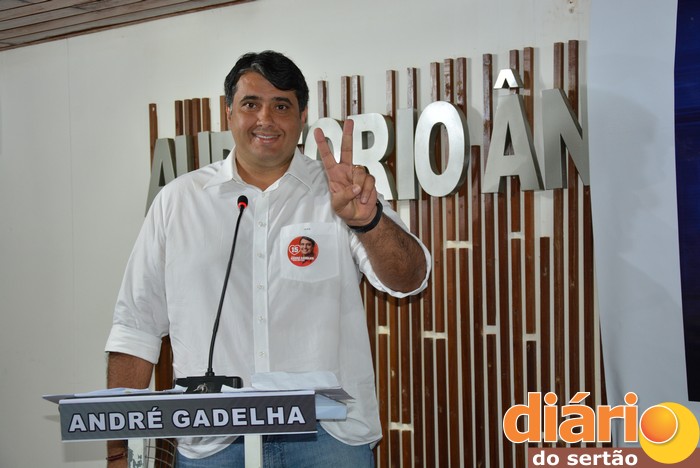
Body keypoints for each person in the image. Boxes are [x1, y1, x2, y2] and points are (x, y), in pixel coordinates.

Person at [104, 50, 431, 467]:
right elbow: (135, 331)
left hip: (326, 439)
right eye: (251, 104)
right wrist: (119, 454)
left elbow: (409, 279)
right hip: (213, 444)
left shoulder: (341, 193)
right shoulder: (178, 202)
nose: (266, 118)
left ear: (302, 117)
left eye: (281, 105)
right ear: (228, 114)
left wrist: (368, 222)